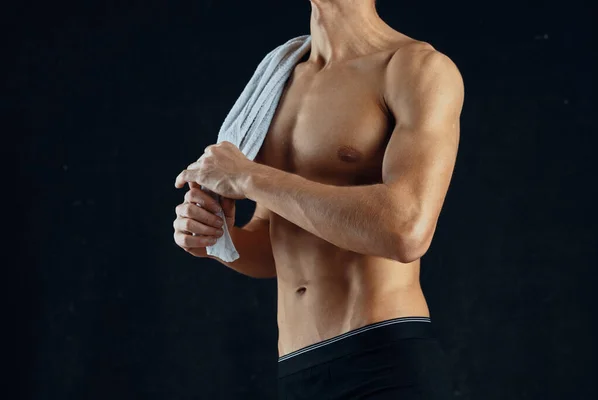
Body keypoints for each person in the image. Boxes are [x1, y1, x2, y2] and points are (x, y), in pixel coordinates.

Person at [173, 0, 464, 398]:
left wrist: (248, 175)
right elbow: (274, 243)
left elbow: (406, 230)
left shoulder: (414, 68)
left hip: (383, 360)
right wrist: (216, 239)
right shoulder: (279, 78)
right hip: (297, 371)